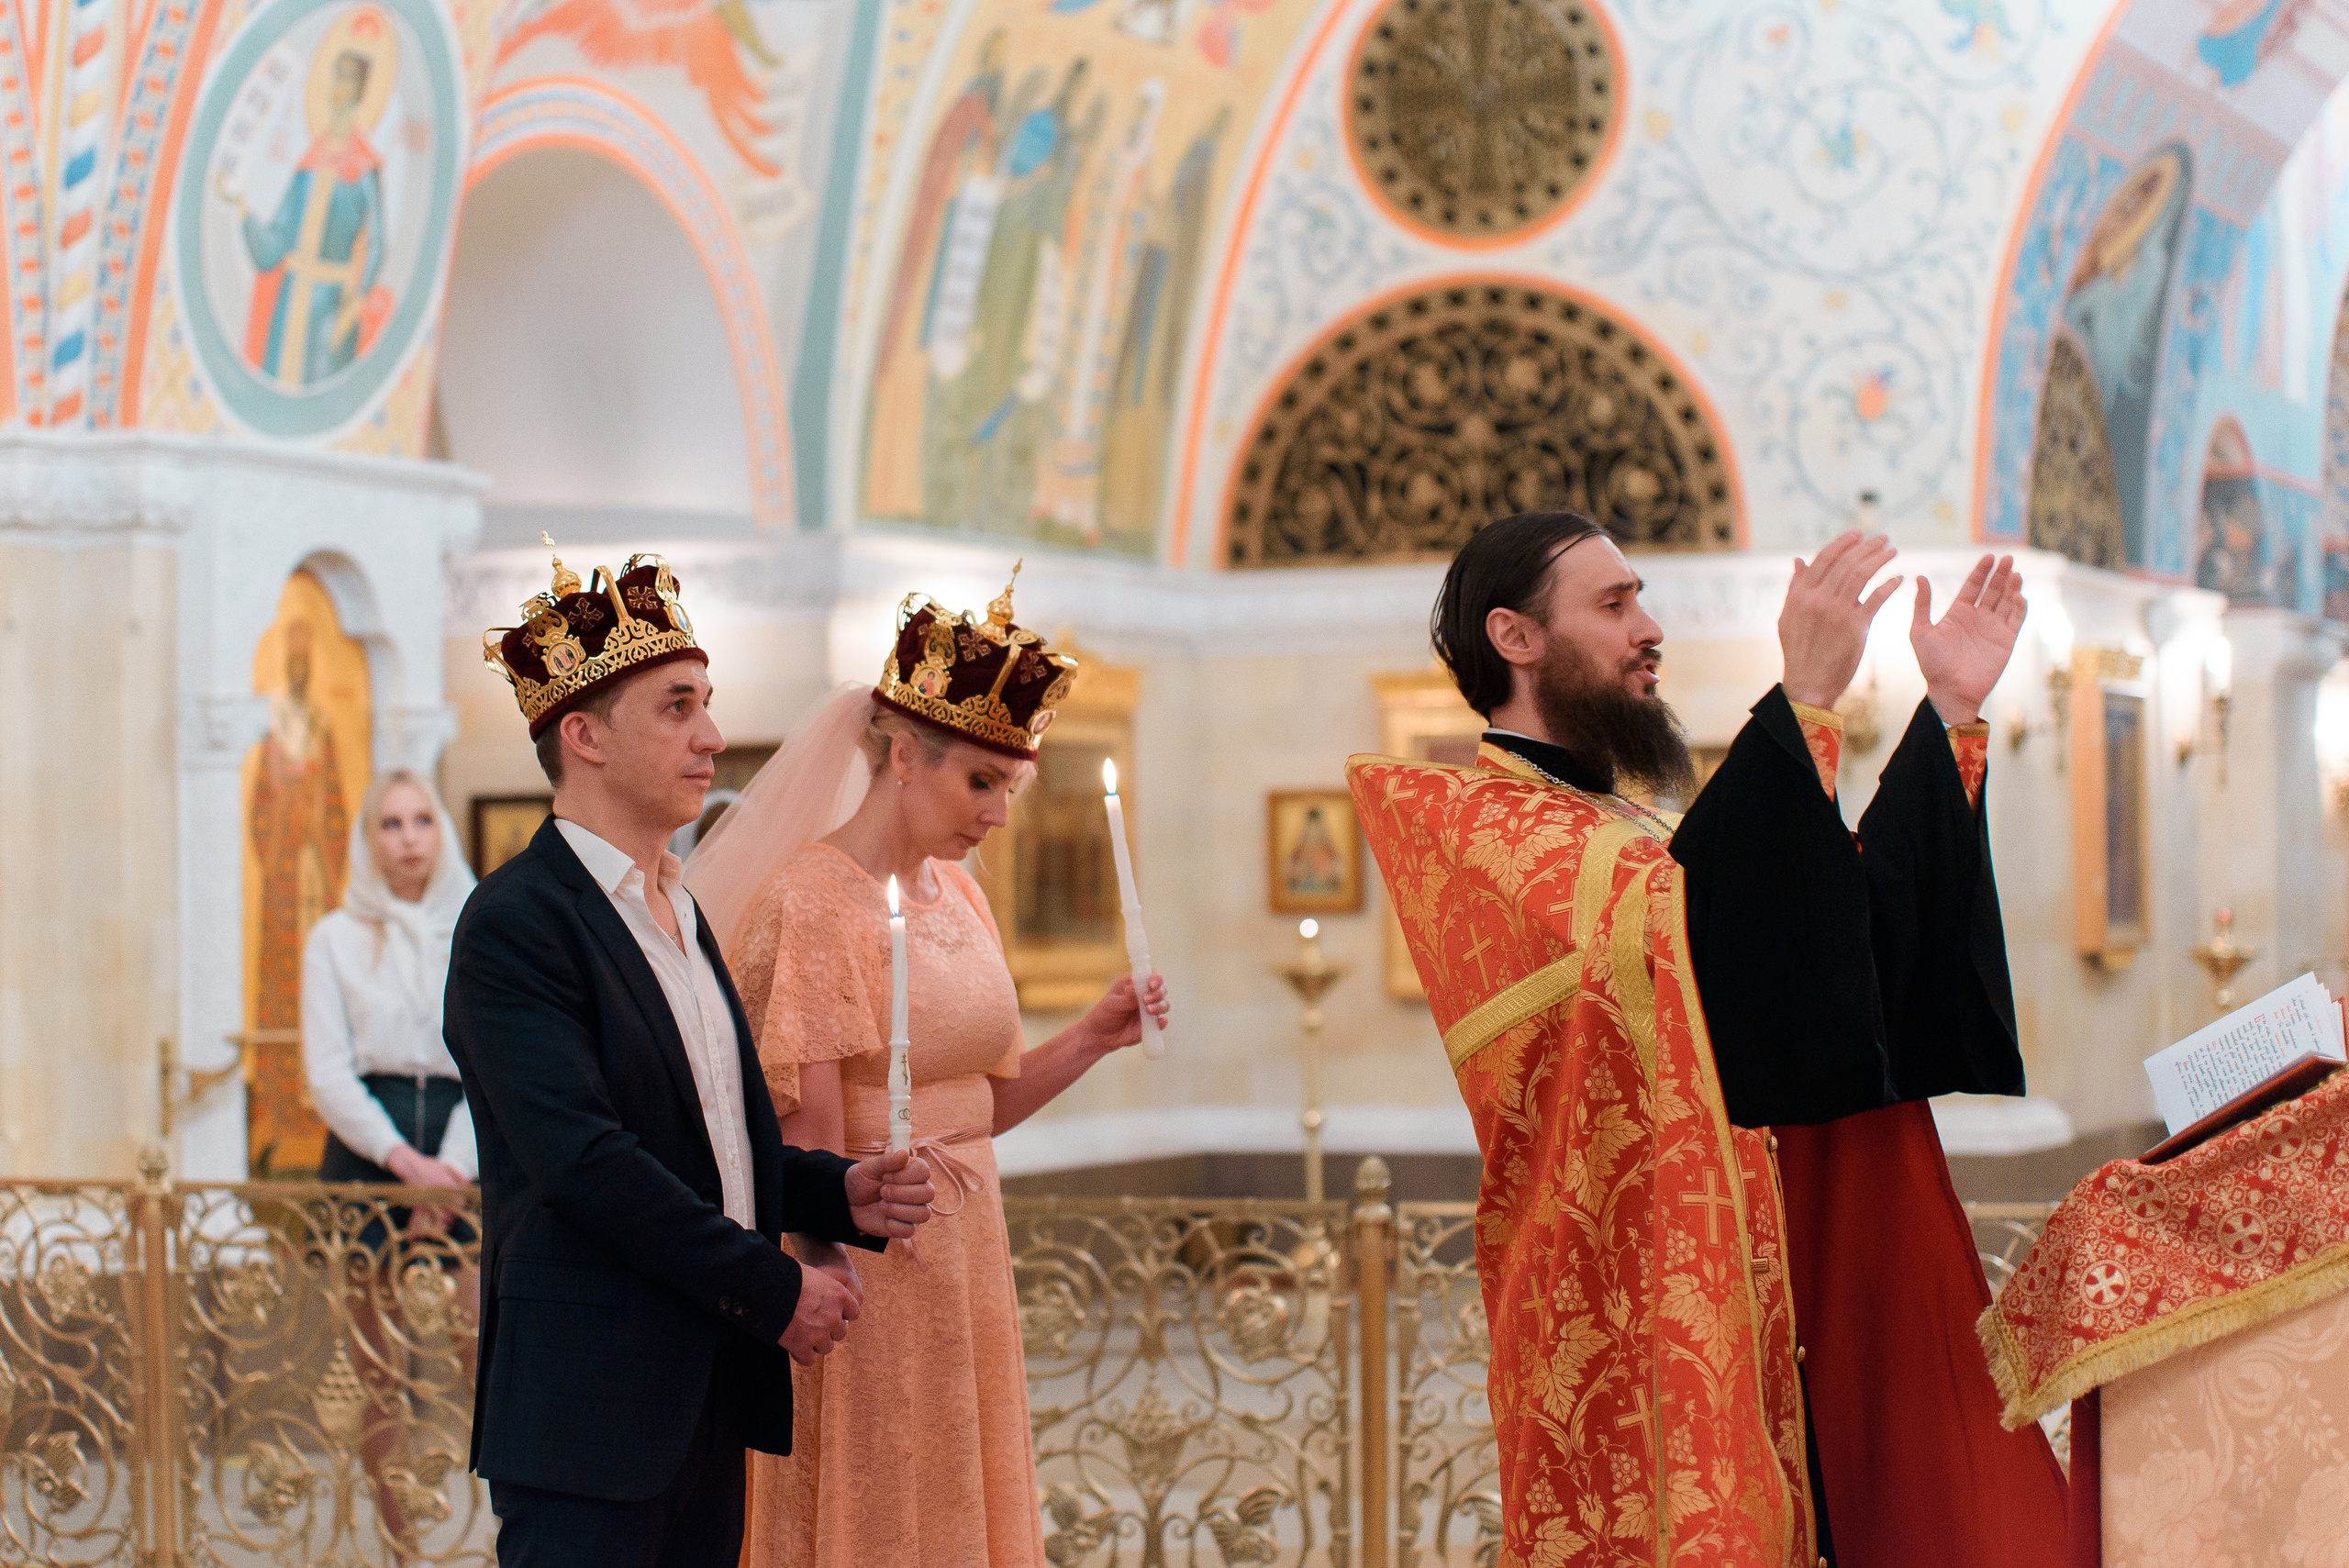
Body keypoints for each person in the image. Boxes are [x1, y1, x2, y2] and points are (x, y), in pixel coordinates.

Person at [1348, 513, 2069, 1568]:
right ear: (1513, 635)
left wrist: (1947, 710)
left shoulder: (1629, 822)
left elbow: (1831, 943)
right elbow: (1670, 932)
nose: (1650, 629)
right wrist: (1802, 703)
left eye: (1641, 599)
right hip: (1627, 1308)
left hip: (1768, 1273)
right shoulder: (1466, 819)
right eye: (1613, 604)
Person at [449, 543, 938, 1568]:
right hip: (593, 1409)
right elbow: (587, 1161)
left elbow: (715, 1141)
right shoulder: (515, 922)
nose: (712, 735)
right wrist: (773, 1287)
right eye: (676, 706)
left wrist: (837, 1188)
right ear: (581, 733)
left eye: (706, 701)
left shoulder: (680, 911)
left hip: (706, 1388)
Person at [685, 573, 1169, 1568]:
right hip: (864, 1255)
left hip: (966, 1250)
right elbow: (806, 1133)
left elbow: (974, 1107)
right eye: (979, 782)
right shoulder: (816, 898)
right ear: (904, 755)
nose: (997, 812)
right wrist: (815, 1268)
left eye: (1010, 787)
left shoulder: (957, 892)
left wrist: (1091, 1034)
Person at [302, 765, 477, 1556]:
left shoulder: (477, 924)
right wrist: (404, 1163)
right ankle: (399, 1535)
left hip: (463, 1146)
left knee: (485, 1344)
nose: (408, 839)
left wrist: (450, 1168)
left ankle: (513, 1527)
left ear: (440, 832)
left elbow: (492, 1056)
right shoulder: (334, 937)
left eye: (421, 821)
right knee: (377, 1364)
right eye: (391, 824)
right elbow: (328, 1072)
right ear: (368, 840)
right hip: (371, 1150)